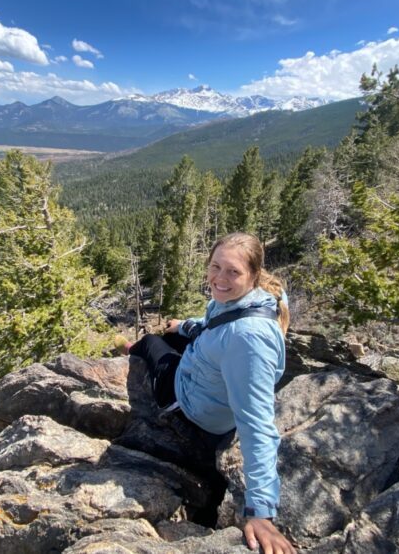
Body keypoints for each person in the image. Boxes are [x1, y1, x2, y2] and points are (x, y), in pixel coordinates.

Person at [115, 232, 296, 554]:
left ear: (253, 275)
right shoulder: (263, 299)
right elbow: (215, 323)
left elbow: (258, 426)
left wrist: (261, 512)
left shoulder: (247, 341)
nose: (219, 278)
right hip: (212, 370)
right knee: (172, 336)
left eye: (232, 272)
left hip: (191, 407)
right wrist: (183, 326)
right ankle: (168, 336)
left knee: (153, 345)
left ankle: (132, 348)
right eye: (216, 267)